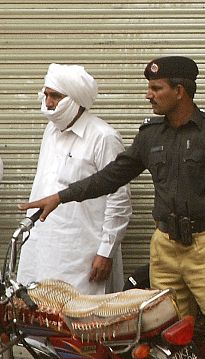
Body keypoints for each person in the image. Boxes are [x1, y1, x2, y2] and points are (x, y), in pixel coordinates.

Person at [19, 56, 205, 359]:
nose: (148, 95)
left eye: (155, 88)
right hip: (165, 245)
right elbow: (111, 177)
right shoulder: (151, 136)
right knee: (158, 327)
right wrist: (61, 196)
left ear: (180, 91)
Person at [18, 63, 131, 294]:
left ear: (76, 99)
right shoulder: (50, 132)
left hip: (84, 253)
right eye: (46, 94)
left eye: (56, 96)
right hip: (45, 247)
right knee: (39, 315)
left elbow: (119, 200)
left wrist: (105, 252)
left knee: (83, 320)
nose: (48, 103)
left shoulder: (103, 137)